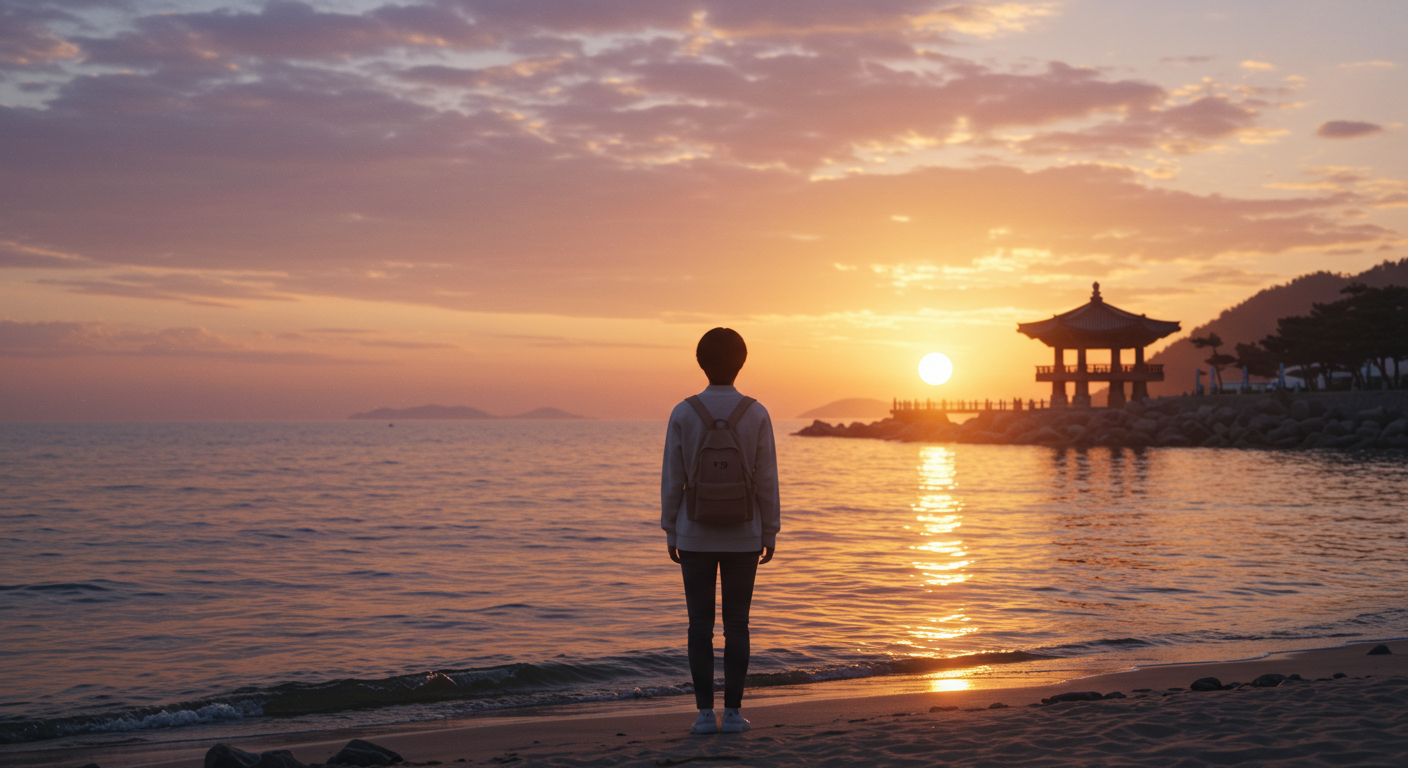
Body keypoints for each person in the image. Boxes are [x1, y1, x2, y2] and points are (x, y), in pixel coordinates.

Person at [661, 327, 780, 735]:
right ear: (741, 361)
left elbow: (672, 476)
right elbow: (767, 478)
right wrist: (770, 530)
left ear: (701, 361)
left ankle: (701, 715)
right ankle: (732, 714)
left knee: (699, 625)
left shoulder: (683, 411)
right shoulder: (756, 412)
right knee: (738, 625)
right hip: (745, 533)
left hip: (693, 532)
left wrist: (670, 529)